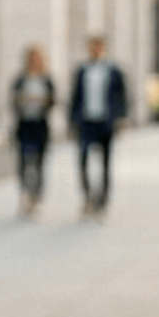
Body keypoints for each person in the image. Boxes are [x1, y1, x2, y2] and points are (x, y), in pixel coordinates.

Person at [68, 35, 127, 218]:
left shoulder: (113, 70)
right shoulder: (82, 70)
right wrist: (72, 120)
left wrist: (121, 118)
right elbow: (75, 96)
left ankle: (102, 201)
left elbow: (121, 96)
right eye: (93, 46)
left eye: (99, 46)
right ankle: (87, 196)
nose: (96, 49)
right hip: (86, 122)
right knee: (83, 160)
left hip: (105, 121)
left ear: (104, 48)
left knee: (105, 163)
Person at [10, 45, 56, 216]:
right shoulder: (21, 79)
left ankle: (36, 197)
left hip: (40, 125)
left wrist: (44, 102)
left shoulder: (46, 80)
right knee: (23, 162)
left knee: (39, 163)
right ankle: (25, 194)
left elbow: (53, 100)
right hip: (24, 125)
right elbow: (13, 100)